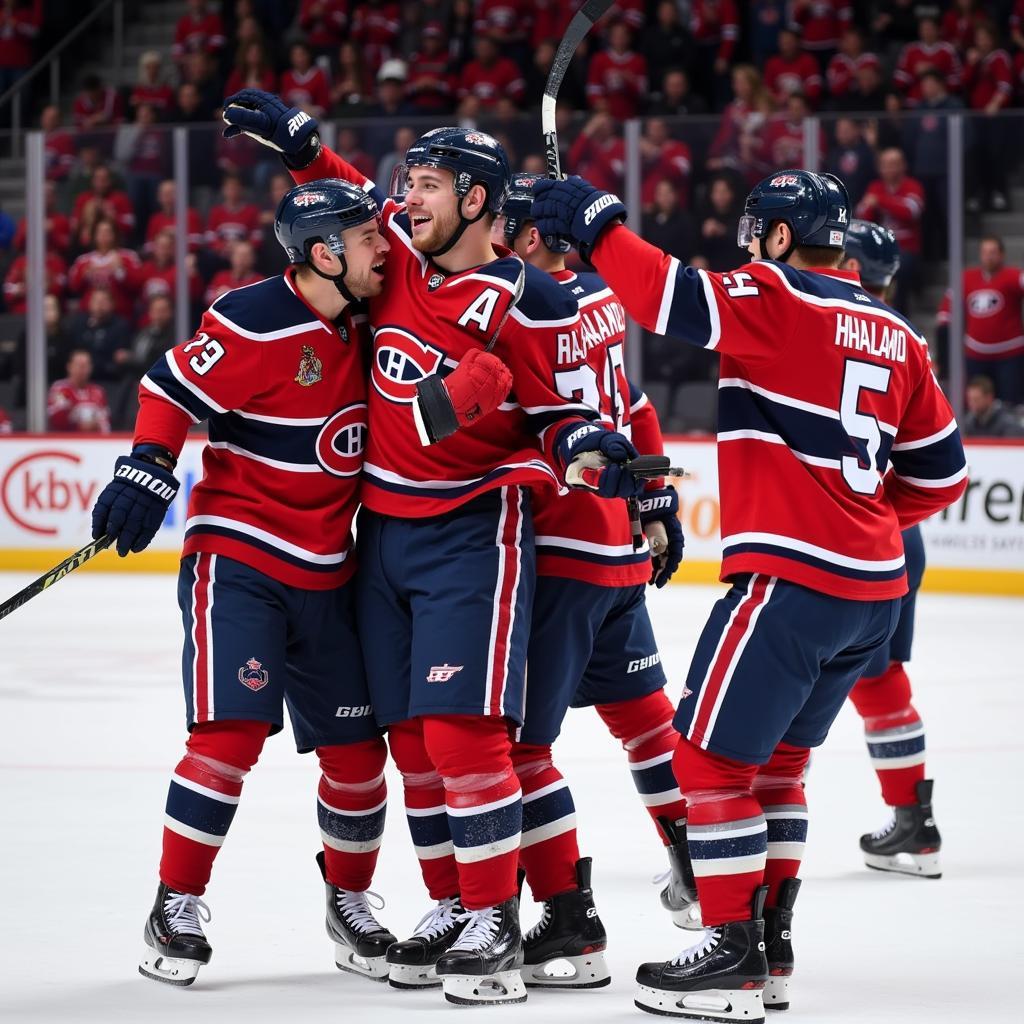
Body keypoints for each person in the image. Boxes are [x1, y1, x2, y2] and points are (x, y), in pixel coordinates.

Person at [222, 88, 645, 1006]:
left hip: (469, 536)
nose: (403, 199)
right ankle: (453, 903)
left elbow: (562, 415)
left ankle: (497, 918)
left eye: (425, 184)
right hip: (382, 536)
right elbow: (337, 201)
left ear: (480, 201)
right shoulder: (402, 256)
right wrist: (303, 151)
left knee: (464, 735)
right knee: (411, 740)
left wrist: (585, 450)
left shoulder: (533, 301)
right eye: (405, 183)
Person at [531, 168, 968, 1019]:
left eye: (753, 233)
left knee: (706, 760)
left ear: (775, 237)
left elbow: (668, 298)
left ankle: (730, 950)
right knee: (780, 766)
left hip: (795, 578)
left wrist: (599, 226)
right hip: (870, 587)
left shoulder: (776, 293)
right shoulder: (896, 331)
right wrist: (865, 517)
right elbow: (944, 475)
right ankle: (771, 947)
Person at [89, 181, 403, 989]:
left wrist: (307, 151)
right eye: (367, 237)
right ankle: (175, 903)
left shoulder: (374, 304)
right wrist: (149, 463)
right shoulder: (254, 318)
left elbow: (419, 218)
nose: (384, 247)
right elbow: (168, 388)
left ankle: (350, 902)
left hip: (332, 567)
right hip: (242, 557)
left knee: (360, 755)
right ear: (324, 254)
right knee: (229, 738)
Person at [493, 173, 687, 987]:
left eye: (511, 227)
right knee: (649, 727)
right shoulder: (603, 299)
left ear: (534, 240)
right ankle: (711, 876)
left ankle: (569, 922)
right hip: (617, 553)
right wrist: (656, 499)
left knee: (520, 749)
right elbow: (634, 405)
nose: (499, 237)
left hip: (562, 550)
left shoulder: (518, 306)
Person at [839, 220, 942, 877]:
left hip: (856, 534)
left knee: (809, 684)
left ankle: (730, 839)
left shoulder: (833, 327)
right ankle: (914, 819)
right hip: (902, 532)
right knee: (882, 680)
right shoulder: (906, 336)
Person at [936, 236, 1024, 406]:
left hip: (1010, 356)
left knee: (1009, 406)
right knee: (974, 405)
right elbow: (946, 309)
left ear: (1002, 255)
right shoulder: (966, 278)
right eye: (985, 252)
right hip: (975, 355)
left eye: (993, 252)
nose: (988, 256)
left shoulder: (1012, 276)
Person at [47, 349, 110, 432]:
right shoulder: (61, 389)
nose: (82, 369)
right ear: (69, 367)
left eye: (85, 365)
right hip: (68, 441)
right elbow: (57, 421)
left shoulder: (98, 391)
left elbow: (106, 424)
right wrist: (79, 426)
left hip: (93, 442)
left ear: (91, 368)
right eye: (79, 365)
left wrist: (95, 426)